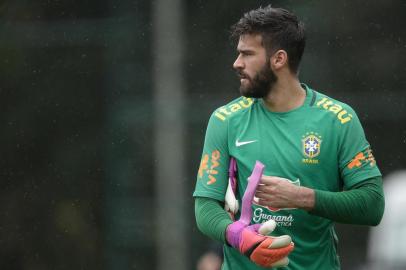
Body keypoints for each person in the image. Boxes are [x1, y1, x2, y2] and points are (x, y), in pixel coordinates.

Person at [193, 5, 385, 270]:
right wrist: (239, 236)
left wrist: (301, 197)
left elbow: (373, 205)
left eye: (247, 54)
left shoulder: (338, 119)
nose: (237, 63)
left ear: (279, 59)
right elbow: (205, 207)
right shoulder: (225, 120)